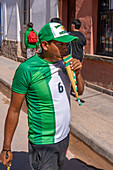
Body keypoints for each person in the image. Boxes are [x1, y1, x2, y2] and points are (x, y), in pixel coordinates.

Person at [0, 22, 84, 170]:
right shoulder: (27, 69)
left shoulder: (65, 65)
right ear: (45, 45)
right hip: (43, 144)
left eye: (67, 45)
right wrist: (7, 147)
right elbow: (14, 110)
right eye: (61, 45)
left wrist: (78, 73)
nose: (65, 48)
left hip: (64, 138)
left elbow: (80, 92)